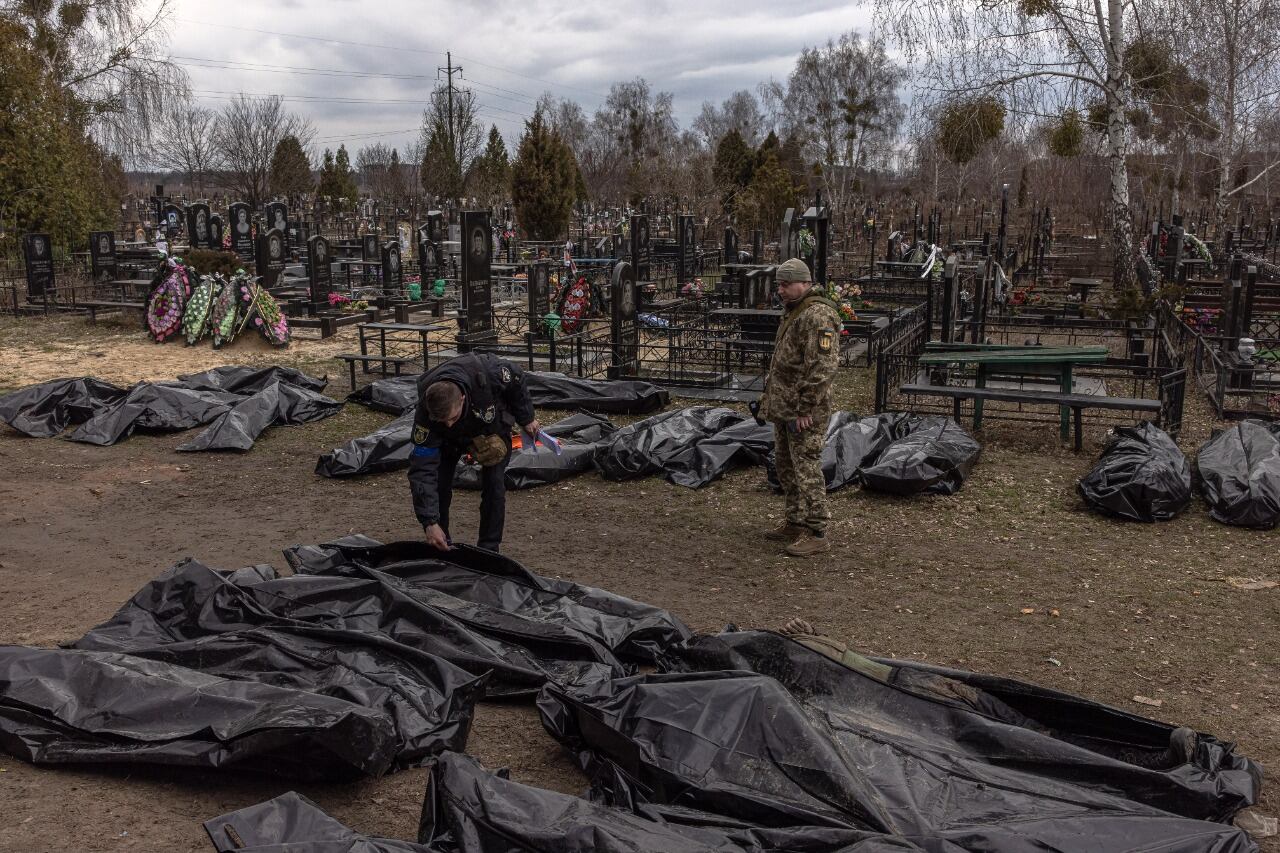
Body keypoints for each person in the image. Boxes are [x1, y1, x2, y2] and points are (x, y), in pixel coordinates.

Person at [408, 353, 541, 553]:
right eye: (442, 421)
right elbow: (422, 470)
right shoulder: (427, 416)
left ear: (462, 399)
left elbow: (516, 378)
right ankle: (441, 541)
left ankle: (489, 548)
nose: (449, 424)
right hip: (446, 442)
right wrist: (429, 522)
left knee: (494, 485)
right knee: (439, 483)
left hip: (488, 430)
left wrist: (526, 417)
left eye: (452, 418)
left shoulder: (489, 372)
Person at [759, 258, 841, 557]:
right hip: (785, 406)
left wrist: (805, 408)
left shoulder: (818, 315)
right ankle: (794, 521)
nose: (780, 290)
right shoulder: (795, 310)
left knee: (806, 466)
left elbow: (822, 367)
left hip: (804, 410)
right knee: (786, 466)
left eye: (785, 284)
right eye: (779, 284)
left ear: (804, 283)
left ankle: (817, 530)